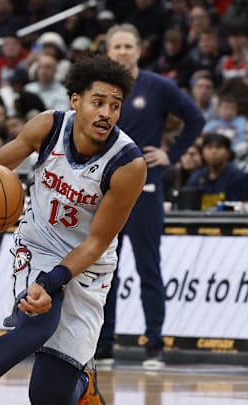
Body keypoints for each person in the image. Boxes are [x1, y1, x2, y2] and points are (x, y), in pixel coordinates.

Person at [0, 55, 145, 405]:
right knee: (37, 326)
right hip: (38, 245)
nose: (106, 112)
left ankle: (84, 387)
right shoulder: (48, 126)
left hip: (88, 266)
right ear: (76, 100)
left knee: (47, 396)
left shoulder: (128, 164)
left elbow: (95, 243)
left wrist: (51, 281)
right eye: (98, 102)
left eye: (115, 106)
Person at [97, 23, 205, 368]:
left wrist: (170, 155)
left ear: (139, 50)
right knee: (103, 269)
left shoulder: (157, 86)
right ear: (108, 52)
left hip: (146, 189)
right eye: (117, 47)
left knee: (148, 268)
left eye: (129, 46)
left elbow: (196, 118)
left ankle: (154, 344)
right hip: (105, 190)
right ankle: (103, 345)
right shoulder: (99, 90)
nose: (124, 52)